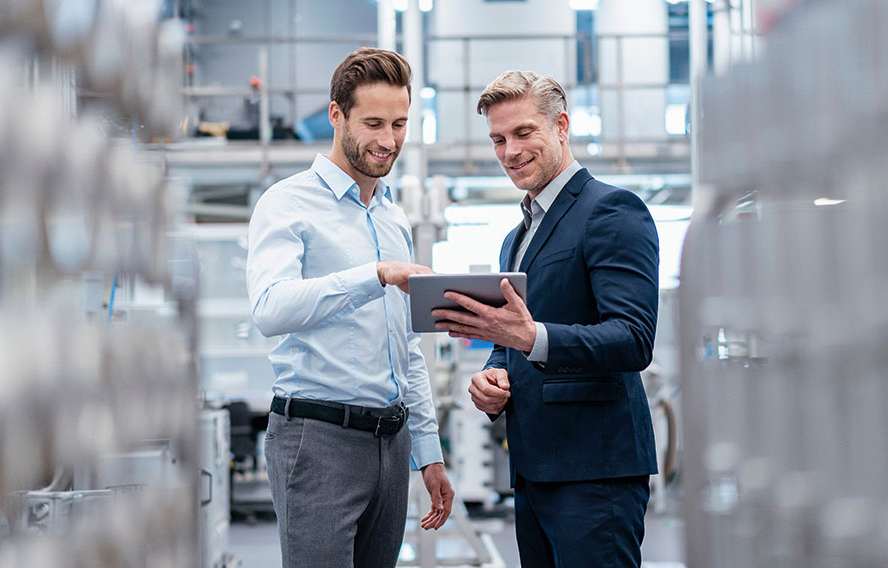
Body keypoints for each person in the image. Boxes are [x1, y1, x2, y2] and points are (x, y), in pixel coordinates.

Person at [432, 70, 660, 567]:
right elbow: (509, 335)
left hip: (595, 471)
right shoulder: (515, 238)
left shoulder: (612, 211)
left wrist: (531, 337)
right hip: (534, 470)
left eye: (523, 133)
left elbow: (634, 338)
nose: (510, 151)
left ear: (561, 126)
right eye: (498, 139)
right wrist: (495, 370)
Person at [246, 47, 454, 568]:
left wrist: (428, 453)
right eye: (374, 123)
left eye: (400, 123)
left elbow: (406, 350)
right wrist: (375, 274)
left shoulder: (393, 218)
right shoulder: (286, 203)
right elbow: (270, 309)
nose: (389, 141)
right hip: (317, 441)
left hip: (392, 440)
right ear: (336, 114)